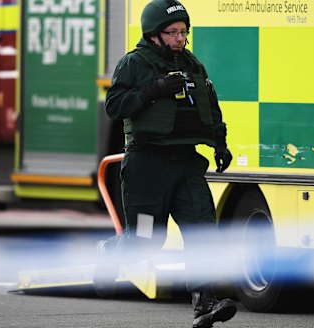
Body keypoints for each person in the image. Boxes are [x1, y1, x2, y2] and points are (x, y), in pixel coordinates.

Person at [99, 0, 236, 327]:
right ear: (154, 35)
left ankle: (204, 305)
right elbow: (114, 106)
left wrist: (221, 144)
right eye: (172, 32)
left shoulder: (193, 65)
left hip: (186, 163)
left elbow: (209, 107)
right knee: (146, 243)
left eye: (183, 32)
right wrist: (153, 90)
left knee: (204, 232)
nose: (179, 39)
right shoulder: (133, 64)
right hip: (147, 167)